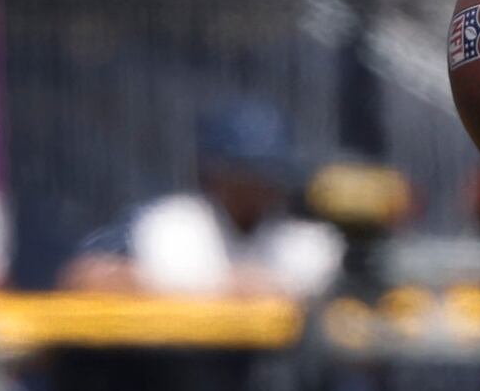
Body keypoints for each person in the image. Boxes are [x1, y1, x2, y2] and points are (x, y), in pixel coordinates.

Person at [60, 100, 342, 301]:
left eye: (265, 175)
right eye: (241, 175)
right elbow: (82, 278)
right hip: (173, 371)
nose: (254, 187)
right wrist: (207, 287)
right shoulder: (171, 224)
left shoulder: (306, 239)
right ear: (212, 175)